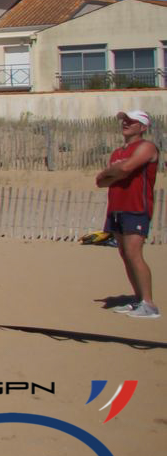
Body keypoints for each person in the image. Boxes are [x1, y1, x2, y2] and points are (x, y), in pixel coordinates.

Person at [96, 109, 158, 320]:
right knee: (125, 255)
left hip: (136, 207)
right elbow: (101, 181)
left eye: (131, 121)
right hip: (116, 207)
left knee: (134, 253)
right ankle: (138, 299)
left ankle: (149, 304)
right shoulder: (117, 153)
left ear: (143, 127)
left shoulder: (146, 147)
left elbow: (126, 168)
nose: (126, 123)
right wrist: (113, 171)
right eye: (124, 120)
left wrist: (115, 171)